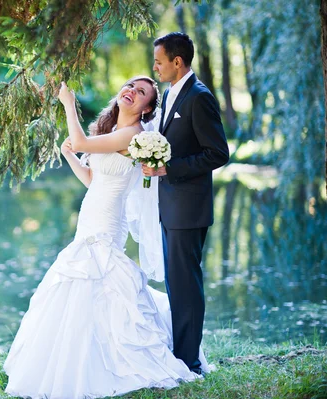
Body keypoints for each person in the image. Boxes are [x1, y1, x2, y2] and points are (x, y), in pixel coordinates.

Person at [3, 76, 209, 399]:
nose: (131, 92)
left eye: (141, 92)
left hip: (108, 224)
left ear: (147, 108)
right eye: (130, 86)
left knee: (101, 280)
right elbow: (91, 178)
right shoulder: (113, 131)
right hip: (90, 218)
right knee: (82, 284)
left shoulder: (132, 136)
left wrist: (69, 103)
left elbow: (83, 142)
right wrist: (69, 155)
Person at [143, 32, 230, 375]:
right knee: (176, 283)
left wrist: (170, 168)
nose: (155, 67)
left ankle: (189, 362)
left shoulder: (199, 97)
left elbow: (218, 153)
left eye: (159, 61)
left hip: (189, 208)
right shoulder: (169, 93)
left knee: (186, 284)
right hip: (170, 206)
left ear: (177, 62)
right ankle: (182, 354)